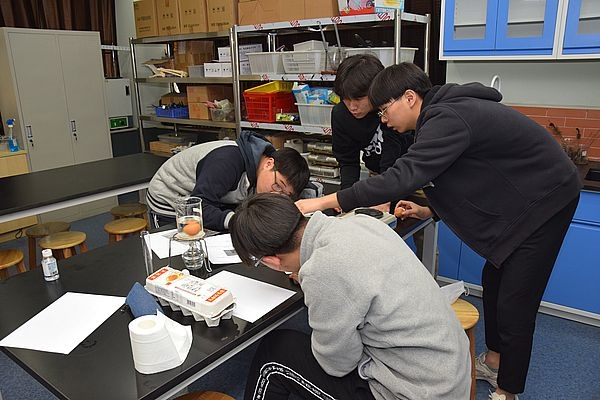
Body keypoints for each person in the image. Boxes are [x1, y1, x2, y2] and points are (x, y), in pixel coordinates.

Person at [296, 63, 582, 400]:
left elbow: (405, 175)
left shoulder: (447, 117)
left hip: (549, 199)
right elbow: (476, 177)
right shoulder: (443, 115)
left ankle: (507, 391)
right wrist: (430, 209)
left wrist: (321, 203)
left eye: (386, 110)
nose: (383, 120)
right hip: (526, 198)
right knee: (494, 281)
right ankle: (494, 360)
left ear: (410, 97)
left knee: (516, 300)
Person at [230, 193, 471, 400]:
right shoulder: (360, 223)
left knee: (274, 355)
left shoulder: (323, 271)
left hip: (415, 392)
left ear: (272, 260)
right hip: (449, 369)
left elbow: (337, 365)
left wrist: (315, 280)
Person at [147, 131, 309, 231]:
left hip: (205, 198)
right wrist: (240, 222)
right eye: (278, 185)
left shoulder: (262, 170)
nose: (275, 193)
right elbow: (197, 208)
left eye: (283, 194)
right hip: (170, 200)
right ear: (269, 164)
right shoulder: (227, 162)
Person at [331, 54, 414, 190]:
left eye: (358, 99)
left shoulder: (393, 109)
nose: (352, 107)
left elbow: (392, 155)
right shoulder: (341, 114)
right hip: (378, 176)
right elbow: (348, 161)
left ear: (376, 89)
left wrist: (385, 196)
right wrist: (345, 197)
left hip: (409, 174)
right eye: (346, 99)